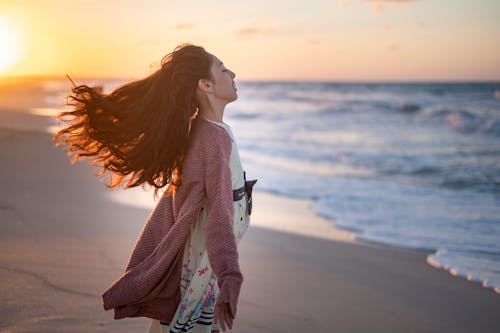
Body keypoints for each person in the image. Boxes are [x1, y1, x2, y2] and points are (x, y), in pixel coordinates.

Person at [54, 43, 256, 333]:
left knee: (177, 323)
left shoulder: (201, 129)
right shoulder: (214, 138)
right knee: (192, 324)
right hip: (206, 256)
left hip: (200, 251)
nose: (233, 73)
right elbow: (219, 214)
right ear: (206, 84)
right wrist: (230, 276)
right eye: (224, 69)